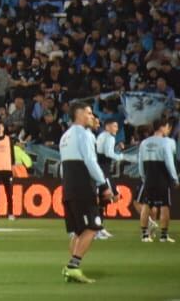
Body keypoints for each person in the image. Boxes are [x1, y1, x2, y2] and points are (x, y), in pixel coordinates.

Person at [58, 100, 112, 284]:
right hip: (82, 187)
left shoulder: (65, 136)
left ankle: (71, 268)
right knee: (93, 226)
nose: (92, 116)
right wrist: (104, 185)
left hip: (68, 187)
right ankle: (73, 267)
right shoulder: (84, 134)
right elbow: (90, 161)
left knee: (78, 231)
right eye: (89, 113)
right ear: (79, 114)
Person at [135, 118, 176, 243]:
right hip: (162, 176)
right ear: (162, 127)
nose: (169, 129)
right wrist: (175, 178)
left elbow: (140, 162)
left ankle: (144, 235)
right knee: (164, 206)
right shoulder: (166, 142)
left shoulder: (144, 143)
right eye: (168, 127)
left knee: (146, 205)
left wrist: (143, 177)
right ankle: (163, 236)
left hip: (148, 177)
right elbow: (169, 162)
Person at [93, 119, 120, 239]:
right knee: (111, 196)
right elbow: (109, 153)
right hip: (103, 171)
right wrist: (121, 156)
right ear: (108, 126)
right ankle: (97, 229)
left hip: (99, 169)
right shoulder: (109, 137)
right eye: (114, 125)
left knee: (101, 201)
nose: (116, 128)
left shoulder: (101, 136)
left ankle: (100, 228)